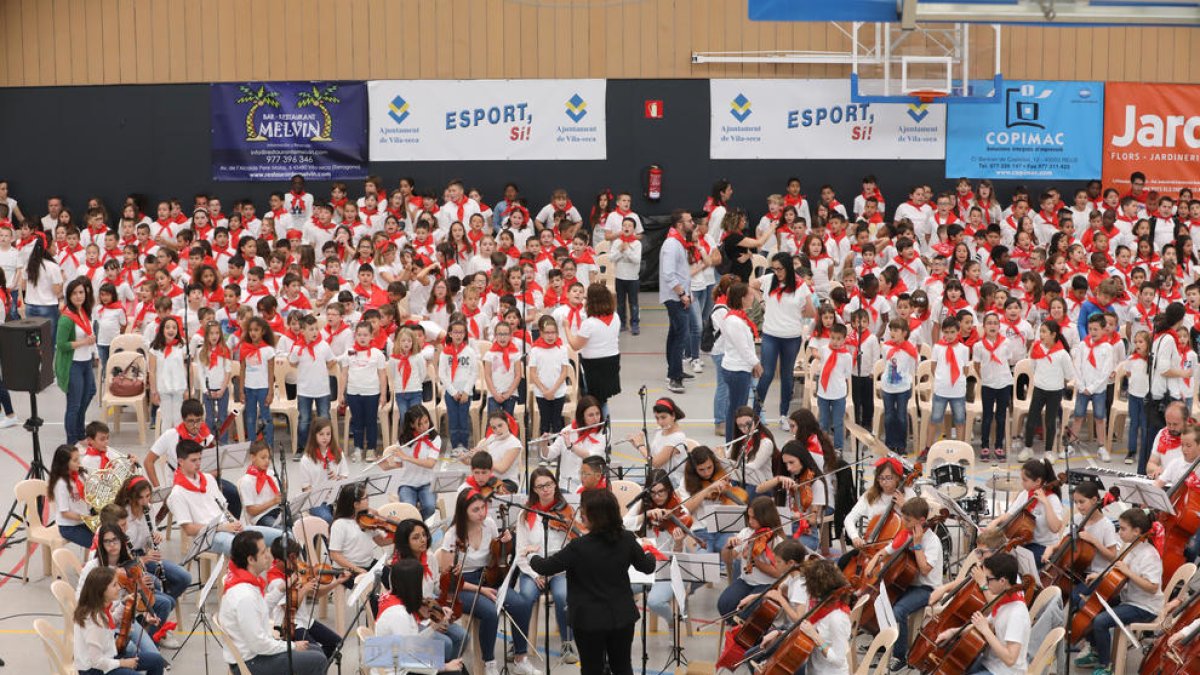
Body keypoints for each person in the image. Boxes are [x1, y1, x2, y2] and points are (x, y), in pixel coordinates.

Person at [530, 487, 657, 675]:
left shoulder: (578, 547)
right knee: (622, 666)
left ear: (592, 516)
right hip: (621, 616)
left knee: (591, 669)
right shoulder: (627, 539)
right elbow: (647, 567)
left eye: (583, 512)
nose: (580, 515)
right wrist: (649, 552)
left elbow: (545, 567)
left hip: (588, 620)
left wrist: (531, 554)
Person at [438, 489, 538, 675]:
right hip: (462, 585)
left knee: (521, 604)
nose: (482, 513)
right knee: (490, 612)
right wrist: (481, 590)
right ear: (463, 511)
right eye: (476, 510)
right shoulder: (452, 535)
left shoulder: (489, 524)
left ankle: (520, 659)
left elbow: (495, 555)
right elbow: (447, 579)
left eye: (483, 508)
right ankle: (489, 663)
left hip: (488, 578)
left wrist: (506, 543)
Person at [217, 531, 329, 675]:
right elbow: (259, 644)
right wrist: (292, 646)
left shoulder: (245, 583)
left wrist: (282, 588)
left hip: (256, 654)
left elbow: (262, 606)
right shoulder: (244, 596)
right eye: (263, 552)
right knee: (317, 659)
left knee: (315, 650)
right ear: (251, 559)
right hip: (252, 662)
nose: (268, 556)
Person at [1075, 509, 1162, 674]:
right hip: (1127, 597)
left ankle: (1105, 665)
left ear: (1136, 531)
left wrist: (1129, 572)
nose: (1119, 532)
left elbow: (1153, 587)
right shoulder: (1129, 546)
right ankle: (1095, 649)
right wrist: (1099, 574)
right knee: (1085, 603)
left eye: (1123, 529)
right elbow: (1117, 570)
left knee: (1100, 621)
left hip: (1144, 606)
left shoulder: (1150, 555)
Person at [165, 439, 281, 556]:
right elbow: (189, 529)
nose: (198, 464)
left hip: (227, 527)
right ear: (180, 462)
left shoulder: (208, 479)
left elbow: (223, 508)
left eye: (200, 459)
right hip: (207, 537)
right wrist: (222, 527)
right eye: (193, 460)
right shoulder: (177, 493)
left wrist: (236, 522)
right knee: (247, 548)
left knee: (283, 537)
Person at [514, 467, 578, 663]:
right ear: (534, 489)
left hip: (559, 570)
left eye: (549, 484)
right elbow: (521, 550)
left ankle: (567, 643)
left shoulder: (567, 512)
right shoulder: (525, 515)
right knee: (524, 598)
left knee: (562, 595)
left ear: (555, 484)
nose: (545, 490)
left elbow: (572, 548)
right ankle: (519, 646)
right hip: (532, 570)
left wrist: (551, 571)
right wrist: (535, 575)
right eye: (540, 486)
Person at [934, 552, 1031, 675]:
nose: (985, 583)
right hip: (990, 662)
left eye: (988, 579)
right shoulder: (1003, 600)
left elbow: (1010, 659)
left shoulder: (1017, 614)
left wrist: (985, 630)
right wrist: (953, 632)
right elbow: (984, 624)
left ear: (1002, 581)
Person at [877, 498, 944, 672]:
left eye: (908, 520)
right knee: (880, 601)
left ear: (922, 521)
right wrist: (873, 567)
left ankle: (900, 655)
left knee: (898, 611)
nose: (904, 523)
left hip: (927, 588)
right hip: (908, 584)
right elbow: (886, 551)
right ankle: (884, 643)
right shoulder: (906, 534)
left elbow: (924, 570)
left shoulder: (932, 541)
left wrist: (918, 544)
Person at [387, 518, 468, 662]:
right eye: (416, 537)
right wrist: (431, 624)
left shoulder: (429, 557)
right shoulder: (400, 568)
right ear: (405, 542)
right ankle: (441, 668)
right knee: (445, 643)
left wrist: (449, 577)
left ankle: (449, 667)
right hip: (412, 618)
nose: (423, 540)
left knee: (462, 636)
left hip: (431, 610)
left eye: (424, 535)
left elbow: (436, 588)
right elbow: (404, 605)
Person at [750, 252, 813, 429]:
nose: (777, 272)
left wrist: (795, 315)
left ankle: (784, 415)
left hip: (791, 337)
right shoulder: (769, 279)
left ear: (788, 268)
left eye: (780, 269)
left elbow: (811, 311)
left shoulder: (801, 286)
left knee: (787, 376)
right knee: (767, 374)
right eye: (775, 269)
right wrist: (762, 303)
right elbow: (752, 285)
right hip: (770, 334)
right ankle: (756, 413)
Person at [376, 559, 467, 675]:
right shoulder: (399, 615)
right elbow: (408, 659)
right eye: (419, 582)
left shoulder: (399, 604)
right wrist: (445, 666)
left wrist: (434, 627)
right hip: (399, 671)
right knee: (453, 671)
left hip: (400, 666)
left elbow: (412, 642)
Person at [73, 566, 165, 675]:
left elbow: (112, 621)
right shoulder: (94, 621)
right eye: (114, 585)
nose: (119, 588)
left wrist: (123, 604)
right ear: (101, 590)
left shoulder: (100, 608)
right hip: (94, 670)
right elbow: (96, 662)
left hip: (108, 656)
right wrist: (122, 663)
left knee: (157, 661)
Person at [983, 458, 1064, 567]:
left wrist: (1045, 503)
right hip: (1025, 544)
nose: (1022, 483)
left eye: (1025, 480)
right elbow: (1010, 514)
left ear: (1038, 481)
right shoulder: (1025, 494)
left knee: (1008, 563)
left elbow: (1055, 528)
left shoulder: (1052, 499)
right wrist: (995, 522)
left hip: (1043, 547)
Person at [1019, 320, 1075, 462]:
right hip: (1039, 390)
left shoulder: (1062, 354)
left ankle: (1049, 451)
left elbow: (1069, 375)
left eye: (1044, 332)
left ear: (1053, 334)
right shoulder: (1036, 348)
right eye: (1040, 332)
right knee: (1031, 420)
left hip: (1055, 392)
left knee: (1050, 422)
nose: (1041, 335)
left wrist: (1056, 379)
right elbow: (1032, 367)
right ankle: (1028, 448)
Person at [564, 283, 621, 411]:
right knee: (602, 399)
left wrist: (566, 327)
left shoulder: (589, 324)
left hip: (594, 365)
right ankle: (604, 426)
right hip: (612, 361)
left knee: (595, 401)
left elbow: (575, 345)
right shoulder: (616, 317)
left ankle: (601, 427)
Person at [55, 277, 98, 445]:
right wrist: (83, 342)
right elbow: (61, 344)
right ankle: (71, 441)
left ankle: (80, 432)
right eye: (74, 293)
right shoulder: (66, 318)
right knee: (74, 404)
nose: (79, 296)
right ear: (69, 296)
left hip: (86, 362)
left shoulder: (85, 312)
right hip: (73, 364)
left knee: (89, 394)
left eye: (81, 292)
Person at [337, 321, 387, 462]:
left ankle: (371, 449)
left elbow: (383, 375)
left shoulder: (377, 354)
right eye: (359, 335)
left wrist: (383, 395)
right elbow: (344, 374)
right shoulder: (349, 353)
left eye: (365, 335)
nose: (362, 338)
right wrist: (341, 394)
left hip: (372, 393)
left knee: (371, 421)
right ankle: (358, 448)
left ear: (372, 336)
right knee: (357, 422)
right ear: (355, 336)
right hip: (354, 393)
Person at [383, 405, 442, 520]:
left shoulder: (435, 439)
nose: (425, 427)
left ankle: (422, 528)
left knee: (429, 506)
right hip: (407, 484)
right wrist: (385, 465)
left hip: (427, 483)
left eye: (426, 422)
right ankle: (414, 528)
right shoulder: (403, 440)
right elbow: (399, 463)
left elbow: (430, 464)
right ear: (411, 425)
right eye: (420, 424)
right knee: (408, 509)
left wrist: (406, 457)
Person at [719, 282, 762, 441]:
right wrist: (756, 363)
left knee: (736, 407)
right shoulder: (734, 322)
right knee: (737, 410)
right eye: (750, 295)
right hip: (737, 369)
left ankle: (734, 441)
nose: (753, 297)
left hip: (739, 367)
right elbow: (743, 348)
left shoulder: (737, 318)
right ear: (742, 298)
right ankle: (732, 443)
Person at [288, 314, 336, 456]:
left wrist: (325, 368)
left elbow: (331, 360)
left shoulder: (324, 345)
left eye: (316, 329)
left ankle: (325, 448)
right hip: (304, 391)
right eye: (311, 329)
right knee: (304, 420)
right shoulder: (298, 347)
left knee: (324, 418)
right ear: (302, 331)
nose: (315, 332)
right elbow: (292, 362)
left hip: (322, 390)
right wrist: (297, 349)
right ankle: (302, 448)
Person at [659, 209, 695, 393]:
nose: (693, 223)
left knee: (675, 334)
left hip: (679, 295)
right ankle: (674, 377)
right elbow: (668, 273)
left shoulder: (678, 242)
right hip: (674, 297)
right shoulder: (672, 244)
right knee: (681, 336)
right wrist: (681, 294)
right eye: (689, 221)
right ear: (680, 224)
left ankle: (675, 370)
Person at [924, 316, 971, 457]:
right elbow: (933, 367)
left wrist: (957, 381)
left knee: (960, 421)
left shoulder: (964, 349)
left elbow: (966, 370)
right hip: (941, 390)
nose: (948, 335)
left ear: (958, 332)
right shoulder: (937, 347)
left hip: (958, 391)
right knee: (935, 419)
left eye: (952, 332)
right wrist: (942, 379)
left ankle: (961, 450)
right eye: (946, 332)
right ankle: (927, 448)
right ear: (942, 332)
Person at [541, 395, 606, 493]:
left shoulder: (602, 434)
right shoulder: (568, 431)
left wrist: (571, 446)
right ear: (582, 416)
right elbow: (549, 455)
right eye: (591, 415)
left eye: (598, 414)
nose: (596, 418)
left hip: (590, 486)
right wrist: (544, 444)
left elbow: (592, 457)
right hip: (567, 485)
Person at [880, 318, 919, 455]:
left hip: (903, 388)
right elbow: (886, 363)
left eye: (896, 330)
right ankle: (890, 444)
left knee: (902, 417)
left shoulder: (910, 350)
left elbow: (914, 368)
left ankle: (901, 445)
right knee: (889, 416)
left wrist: (907, 380)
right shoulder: (886, 347)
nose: (892, 332)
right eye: (891, 329)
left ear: (904, 333)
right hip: (887, 387)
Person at [439, 319, 479, 452]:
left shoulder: (470, 352)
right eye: (455, 332)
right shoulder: (445, 353)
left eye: (461, 332)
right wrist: (453, 392)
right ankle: (455, 446)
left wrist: (466, 391)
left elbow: (474, 372)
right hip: (451, 393)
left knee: (463, 420)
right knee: (453, 420)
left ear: (465, 334)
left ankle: (464, 445)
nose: (458, 335)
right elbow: (442, 374)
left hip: (466, 393)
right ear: (450, 334)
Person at [238, 315, 277, 447]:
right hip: (249, 388)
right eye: (250, 330)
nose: (253, 333)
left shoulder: (269, 350)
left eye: (256, 330)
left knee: (266, 416)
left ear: (263, 332)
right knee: (250, 417)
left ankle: (269, 444)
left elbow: (271, 373)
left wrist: (271, 391)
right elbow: (242, 370)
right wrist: (241, 390)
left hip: (263, 388)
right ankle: (252, 444)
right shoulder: (244, 348)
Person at [48, 443, 94, 548]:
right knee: (97, 544)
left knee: (108, 536)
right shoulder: (61, 484)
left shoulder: (81, 475)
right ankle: (96, 563)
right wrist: (87, 518)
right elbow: (65, 513)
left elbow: (92, 492)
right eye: (75, 460)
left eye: (79, 458)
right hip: (69, 526)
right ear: (64, 463)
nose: (79, 462)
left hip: (83, 520)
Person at [238, 441, 282, 528]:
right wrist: (273, 502)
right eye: (263, 458)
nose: (267, 461)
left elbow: (279, 497)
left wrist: (283, 487)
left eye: (268, 458)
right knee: (282, 530)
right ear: (252, 457)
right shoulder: (247, 481)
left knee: (299, 523)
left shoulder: (272, 474)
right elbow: (251, 511)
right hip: (261, 517)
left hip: (277, 511)